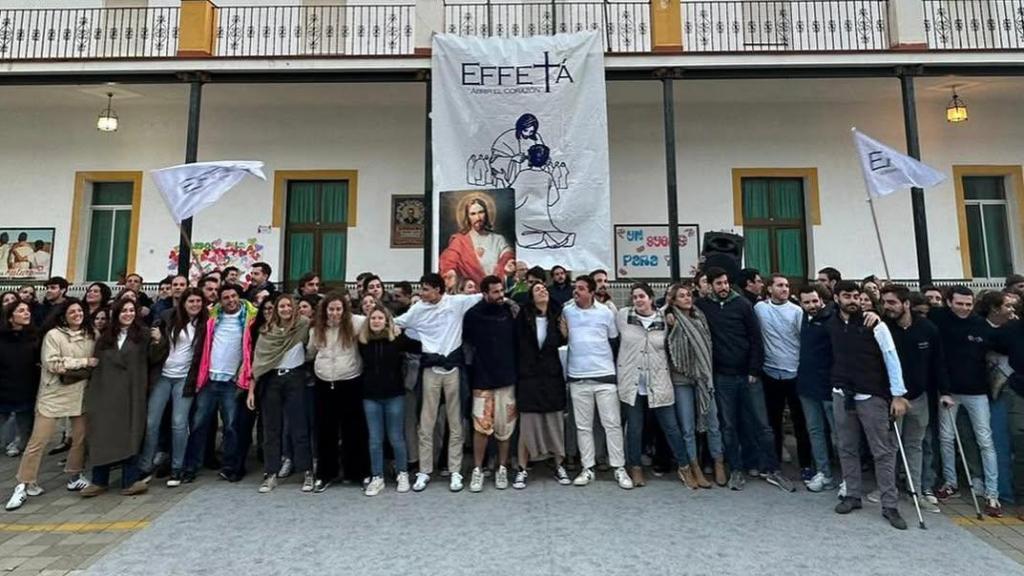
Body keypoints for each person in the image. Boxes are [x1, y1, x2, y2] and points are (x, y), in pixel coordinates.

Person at [695, 267, 793, 492]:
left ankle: (773, 469)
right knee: (728, 426)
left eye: (726, 282)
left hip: (748, 375)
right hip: (722, 376)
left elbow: (756, 339)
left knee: (762, 424)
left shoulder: (742, 305)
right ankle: (736, 469)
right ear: (709, 285)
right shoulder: (703, 307)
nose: (724, 287)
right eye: (718, 283)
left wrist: (754, 369)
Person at [829, 281, 910, 530]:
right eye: (847, 296)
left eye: (856, 296)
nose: (853, 300)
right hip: (842, 393)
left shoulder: (876, 325)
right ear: (836, 298)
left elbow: (891, 358)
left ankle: (890, 505)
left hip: (872, 395)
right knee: (846, 447)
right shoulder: (831, 324)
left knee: (883, 451)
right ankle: (852, 494)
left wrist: (897, 395)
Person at [394, 273, 482, 492]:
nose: (422, 294)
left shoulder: (457, 302)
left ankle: (455, 471)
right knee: (426, 423)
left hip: (453, 369)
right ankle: (424, 471)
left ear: (438, 289)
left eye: (425, 289)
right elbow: (395, 323)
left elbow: (482, 296)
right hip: (430, 370)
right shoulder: (417, 309)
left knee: (455, 422)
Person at [5, 300, 93, 510]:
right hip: (53, 393)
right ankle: (24, 483)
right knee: (39, 441)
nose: (76, 314)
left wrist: (81, 363)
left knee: (79, 438)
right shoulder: (54, 335)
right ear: (63, 315)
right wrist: (83, 362)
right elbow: (52, 363)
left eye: (79, 311)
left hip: (80, 393)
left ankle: (74, 475)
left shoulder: (91, 334)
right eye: (72, 311)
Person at [930, 286, 1002, 517]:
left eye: (968, 304)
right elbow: (937, 357)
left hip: (977, 392)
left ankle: (992, 494)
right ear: (949, 302)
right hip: (949, 392)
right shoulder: (938, 320)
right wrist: (944, 390)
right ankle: (950, 482)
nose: (964, 308)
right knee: (947, 439)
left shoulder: (981, 325)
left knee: (985, 440)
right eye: (960, 303)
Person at [617, 282, 694, 489]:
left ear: (651, 298)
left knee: (671, 427)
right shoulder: (623, 316)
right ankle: (635, 468)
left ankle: (685, 467)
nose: (638, 300)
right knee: (634, 428)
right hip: (632, 382)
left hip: (658, 382)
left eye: (642, 296)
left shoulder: (664, 318)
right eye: (634, 297)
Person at [560, 274, 632, 489]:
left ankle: (619, 467)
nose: (576, 291)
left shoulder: (606, 312)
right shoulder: (567, 311)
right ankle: (587, 468)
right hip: (578, 377)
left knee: (612, 424)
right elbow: (563, 335)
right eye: (575, 288)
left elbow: (613, 341)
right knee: (583, 427)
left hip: (604, 377)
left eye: (581, 288)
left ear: (592, 292)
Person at [880, 284, 947, 514]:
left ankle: (915, 491)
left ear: (906, 304)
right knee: (889, 447)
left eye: (892, 302)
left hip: (919, 398)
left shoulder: (927, 329)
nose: (887, 307)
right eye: (885, 302)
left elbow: (938, 363)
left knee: (915, 446)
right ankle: (887, 490)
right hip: (892, 399)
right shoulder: (882, 328)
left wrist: (944, 391)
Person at [184, 284, 257, 482]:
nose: (231, 300)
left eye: (234, 296)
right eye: (226, 297)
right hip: (209, 379)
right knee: (199, 425)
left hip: (232, 381)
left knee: (231, 426)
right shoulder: (212, 318)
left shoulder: (250, 318)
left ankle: (231, 467)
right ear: (220, 300)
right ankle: (190, 467)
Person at [81, 299, 154, 498]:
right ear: (116, 314)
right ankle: (99, 480)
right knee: (103, 433)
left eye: (132, 310)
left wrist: (159, 341)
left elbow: (155, 358)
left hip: (132, 392)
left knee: (131, 433)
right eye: (124, 311)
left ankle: (130, 480)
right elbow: (96, 363)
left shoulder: (144, 335)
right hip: (105, 391)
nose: (128, 314)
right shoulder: (105, 337)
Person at [139, 288, 208, 487]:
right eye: (191, 301)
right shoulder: (167, 317)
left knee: (179, 423)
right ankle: (145, 465)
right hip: (163, 375)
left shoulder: (204, 324)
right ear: (183, 303)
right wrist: (158, 341)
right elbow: (153, 346)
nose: (195, 305)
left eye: (198, 301)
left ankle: (177, 468)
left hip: (184, 378)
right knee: (152, 422)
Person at [306, 292, 369, 492]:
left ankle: (358, 472)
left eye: (338, 309)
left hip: (350, 381)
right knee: (325, 431)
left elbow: (378, 322)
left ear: (345, 309)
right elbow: (310, 352)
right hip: (324, 383)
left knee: (355, 430)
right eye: (331, 309)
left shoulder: (357, 323)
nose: (334, 313)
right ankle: (325, 474)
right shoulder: (317, 329)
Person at [249, 294, 313, 493]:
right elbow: (258, 362)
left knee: (299, 427)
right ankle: (270, 473)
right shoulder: (267, 330)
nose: (285, 309)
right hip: (271, 380)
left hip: (295, 379)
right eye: (281, 306)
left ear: (294, 307)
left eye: (288, 306)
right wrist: (251, 390)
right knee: (271, 428)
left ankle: (307, 471)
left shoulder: (303, 325)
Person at [462, 275, 519, 492]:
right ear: (484, 293)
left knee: (505, 429)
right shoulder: (472, 315)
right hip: (482, 380)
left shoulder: (509, 312)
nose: (500, 295)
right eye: (495, 292)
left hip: (507, 380)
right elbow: (467, 344)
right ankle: (478, 469)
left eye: (501, 291)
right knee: (481, 427)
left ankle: (502, 468)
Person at [754, 274, 814, 482]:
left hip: (794, 373)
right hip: (770, 373)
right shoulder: (759, 308)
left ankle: (806, 465)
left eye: (787, 286)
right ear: (769, 289)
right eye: (780, 285)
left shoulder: (797, 311)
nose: (785, 289)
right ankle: (774, 463)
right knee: (773, 422)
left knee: (801, 423)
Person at [513, 282, 571, 489]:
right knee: (528, 424)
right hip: (528, 378)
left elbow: (565, 343)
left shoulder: (558, 316)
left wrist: (566, 334)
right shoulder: (523, 317)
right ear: (531, 296)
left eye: (545, 289)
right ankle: (521, 468)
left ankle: (559, 464)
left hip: (551, 377)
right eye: (537, 289)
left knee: (554, 422)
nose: (542, 291)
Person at [664, 283, 722, 487]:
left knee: (713, 421)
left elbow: (707, 345)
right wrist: (668, 316)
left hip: (704, 377)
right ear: (673, 300)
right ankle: (693, 466)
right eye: (681, 296)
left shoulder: (700, 317)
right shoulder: (669, 319)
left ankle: (718, 462)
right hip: (681, 378)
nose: (687, 299)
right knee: (687, 427)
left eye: (689, 295)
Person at [358, 304, 411, 496]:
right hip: (370, 396)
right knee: (374, 439)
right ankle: (377, 476)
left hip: (394, 395)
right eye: (373, 318)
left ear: (387, 320)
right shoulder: (362, 342)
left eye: (380, 318)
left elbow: (418, 346)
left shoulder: (397, 341)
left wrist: (401, 333)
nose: (376, 321)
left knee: (396, 437)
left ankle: (402, 472)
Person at [795, 285, 837, 492]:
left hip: (829, 386)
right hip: (807, 384)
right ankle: (824, 473)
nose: (811, 306)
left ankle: (849, 478)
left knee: (838, 435)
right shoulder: (802, 319)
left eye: (814, 301)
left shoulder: (833, 319)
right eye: (806, 302)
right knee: (815, 431)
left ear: (821, 300)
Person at [438, 193, 514, 288]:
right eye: (473, 214)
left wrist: (508, 266)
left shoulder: (498, 239)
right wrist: (450, 271)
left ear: (486, 213)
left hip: (494, 290)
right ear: (467, 216)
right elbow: (449, 259)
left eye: (481, 212)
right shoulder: (460, 241)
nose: (478, 218)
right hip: (470, 290)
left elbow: (508, 257)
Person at [0, 301, 40, 459]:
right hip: (3, 387)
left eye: (28, 310)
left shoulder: (34, 337)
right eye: (21, 310)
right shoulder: (2, 338)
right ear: (10, 317)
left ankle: (18, 444)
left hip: (26, 387)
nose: (27, 313)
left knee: (24, 422)